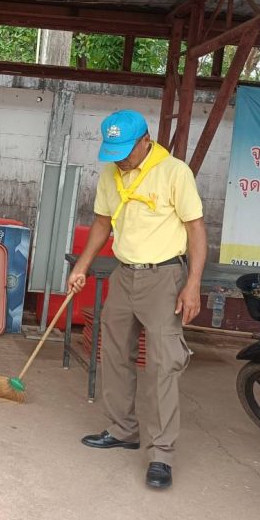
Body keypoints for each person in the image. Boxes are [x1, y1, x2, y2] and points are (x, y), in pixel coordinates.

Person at [67, 109, 206, 489]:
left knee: (163, 365)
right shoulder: (110, 173)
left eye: (126, 151)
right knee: (113, 354)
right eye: (114, 152)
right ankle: (123, 429)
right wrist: (81, 266)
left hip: (164, 277)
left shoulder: (175, 172)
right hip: (124, 274)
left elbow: (196, 229)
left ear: (146, 141)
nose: (121, 159)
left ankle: (161, 454)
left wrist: (193, 283)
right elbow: (102, 222)